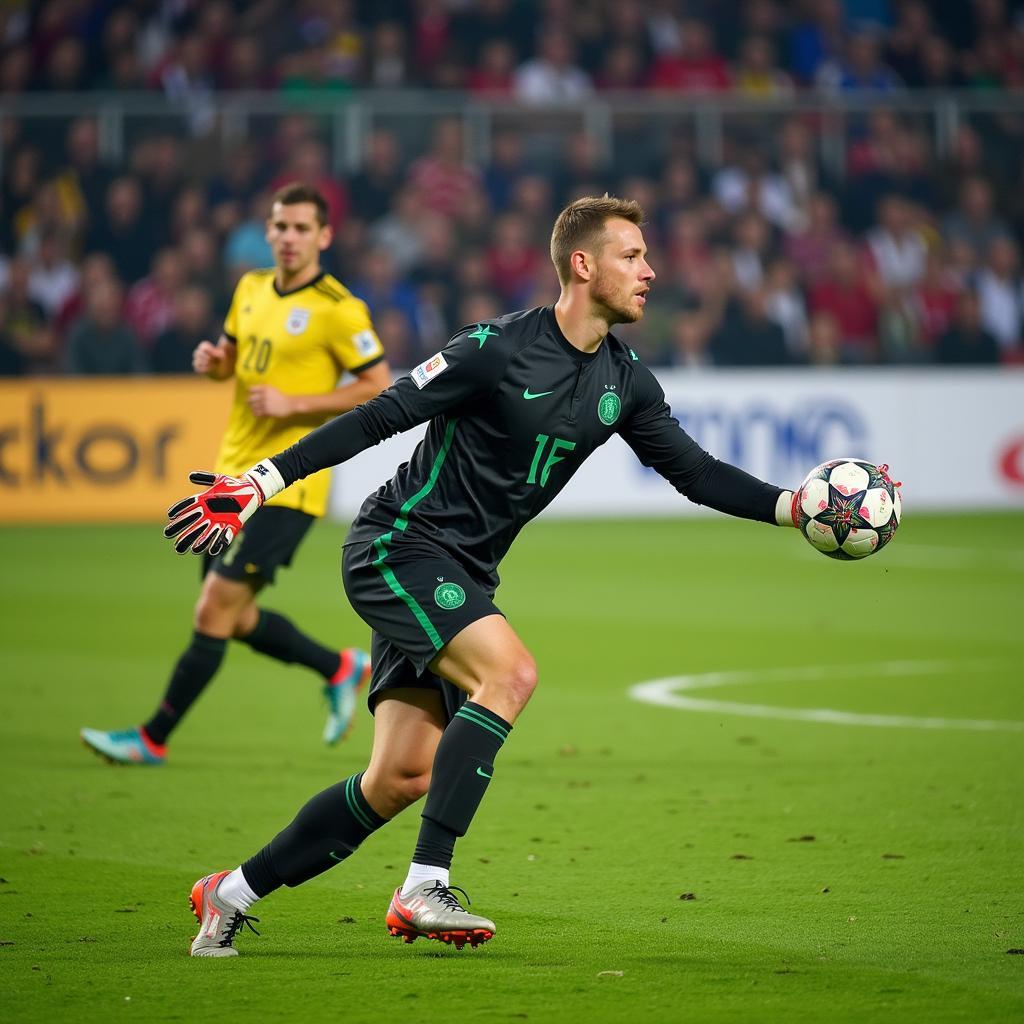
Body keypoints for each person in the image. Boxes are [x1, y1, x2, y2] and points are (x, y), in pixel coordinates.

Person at [164, 196, 802, 957]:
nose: (650, 271)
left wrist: (794, 507)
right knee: (511, 674)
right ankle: (423, 886)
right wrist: (261, 481)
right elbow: (379, 415)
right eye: (632, 256)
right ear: (582, 264)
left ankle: (229, 894)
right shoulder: (494, 348)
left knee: (399, 778)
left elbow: (695, 472)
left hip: (462, 571)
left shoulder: (626, 380)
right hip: (397, 546)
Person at [80, 183, 391, 765]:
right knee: (232, 616)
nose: (289, 238)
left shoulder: (338, 308)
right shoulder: (249, 288)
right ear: (267, 232)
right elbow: (232, 360)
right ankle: (341, 667)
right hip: (229, 481)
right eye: (281, 227)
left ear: (324, 237)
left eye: (302, 228)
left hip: (290, 485)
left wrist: (295, 404)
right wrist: (215, 363)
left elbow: (378, 383)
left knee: (212, 610)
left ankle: (152, 738)